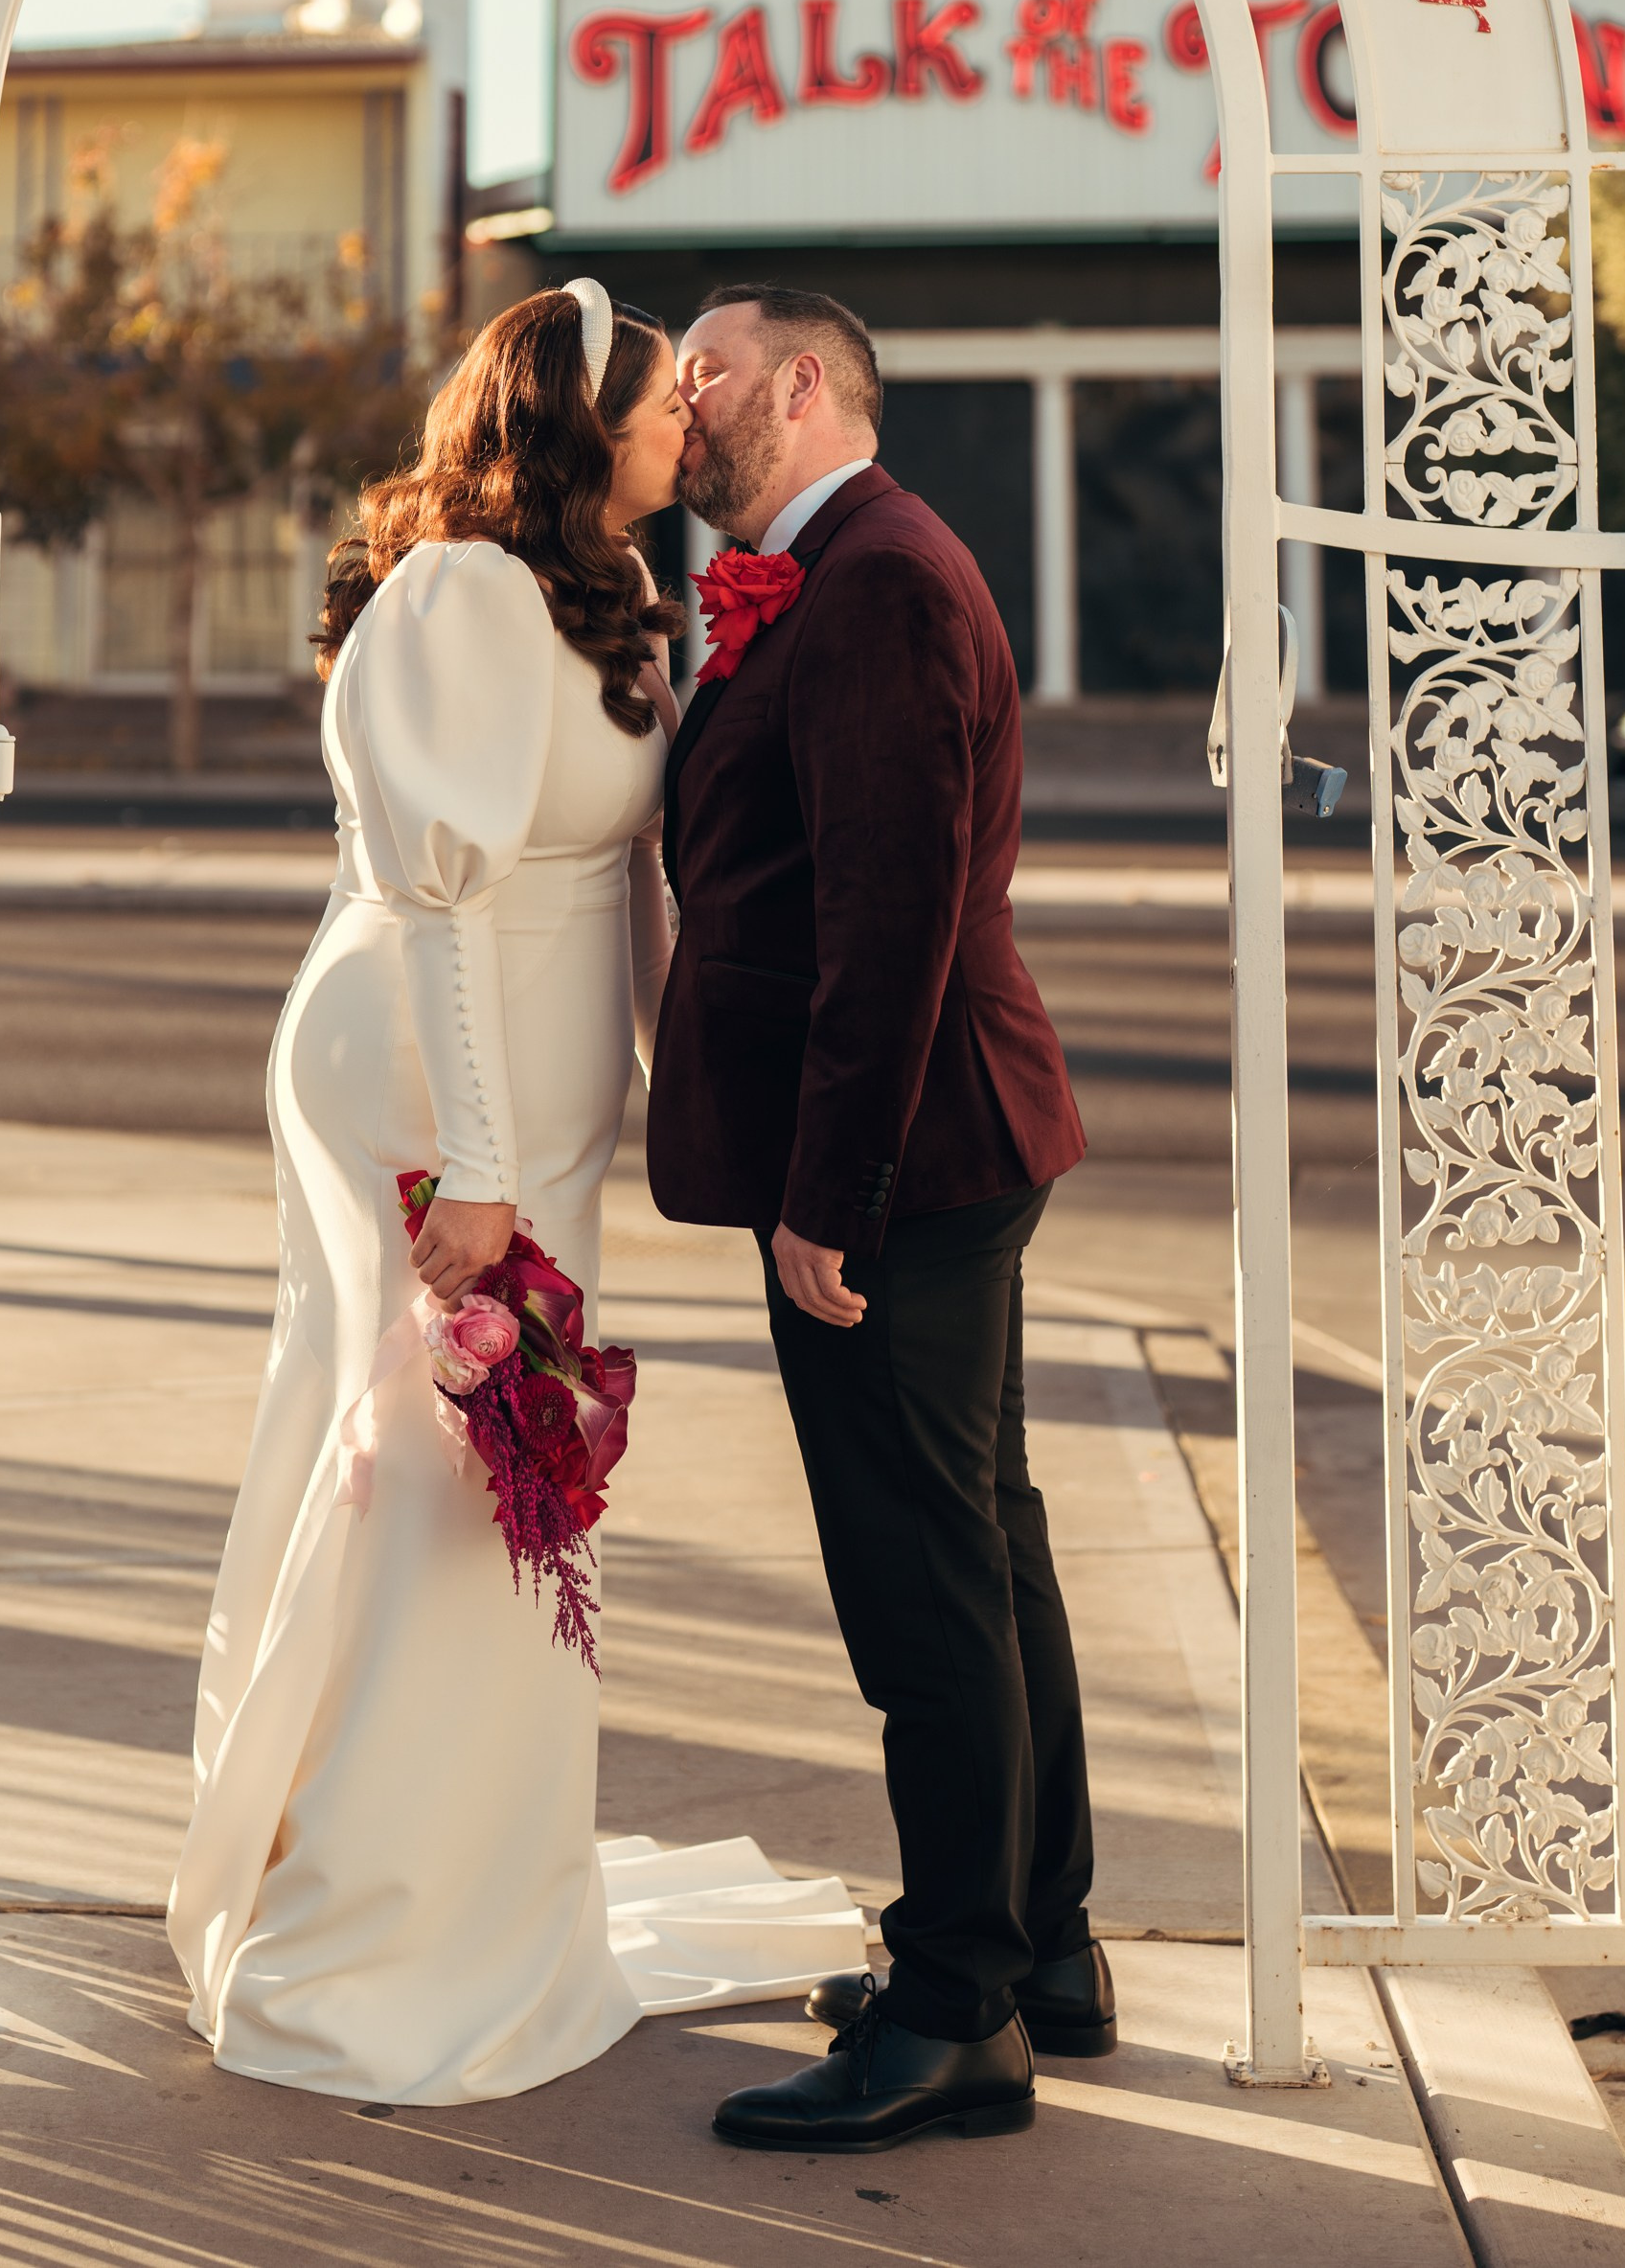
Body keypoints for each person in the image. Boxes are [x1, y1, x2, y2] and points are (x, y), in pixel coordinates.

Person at [168, 281, 861, 2103]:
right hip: (424, 1075)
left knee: (506, 1478)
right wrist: (478, 1169)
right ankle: (380, 1909)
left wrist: (668, 1086)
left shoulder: (605, 588)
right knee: (433, 1475)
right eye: (659, 400)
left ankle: (488, 1865)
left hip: (541, 1110)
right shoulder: (464, 592)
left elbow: (628, 883)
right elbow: (444, 897)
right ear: (581, 428)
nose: (687, 417)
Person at [650, 283, 1101, 2154]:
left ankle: (953, 2012)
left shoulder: (882, 579)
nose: (680, 400)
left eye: (706, 371)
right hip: (949, 1143)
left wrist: (826, 1195)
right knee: (982, 1547)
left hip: (902, 1162)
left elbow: (890, 915)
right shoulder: (841, 568)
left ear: (807, 381)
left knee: (922, 1588)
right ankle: (1036, 1947)